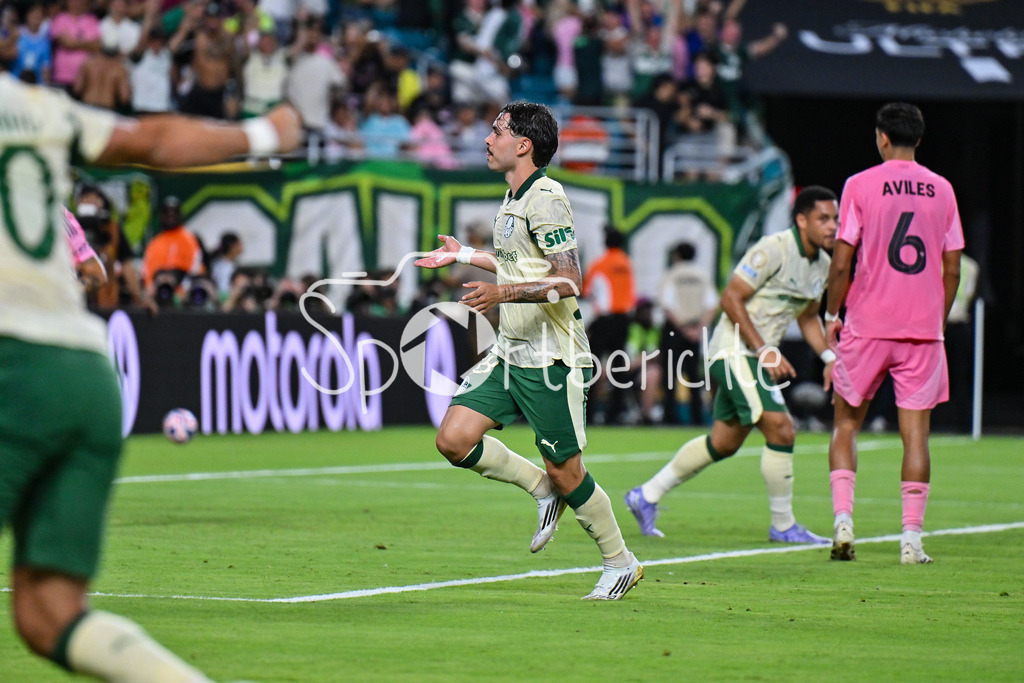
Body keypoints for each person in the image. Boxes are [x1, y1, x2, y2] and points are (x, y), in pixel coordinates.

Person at [0, 69, 300, 680]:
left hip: (13, 367)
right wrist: (263, 129)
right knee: (48, 613)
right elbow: (155, 142)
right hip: (83, 371)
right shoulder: (35, 105)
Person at [415, 101, 643, 600]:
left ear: (523, 145)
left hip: (550, 355)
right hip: (511, 349)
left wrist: (501, 293)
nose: (487, 139)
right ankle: (542, 491)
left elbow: (568, 279)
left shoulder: (546, 197)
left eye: (496, 131)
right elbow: (518, 261)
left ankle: (620, 561)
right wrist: (464, 255)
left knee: (569, 471)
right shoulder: (513, 197)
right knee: (454, 439)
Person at [625, 186, 838, 544]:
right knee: (782, 428)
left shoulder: (824, 266)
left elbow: (808, 316)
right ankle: (783, 526)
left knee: (723, 442)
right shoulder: (773, 248)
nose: (832, 226)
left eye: (835, 219)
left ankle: (645, 496)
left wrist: (831, 357)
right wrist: (765, 350)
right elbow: (731, 298)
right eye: (824, 218)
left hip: (755, 353)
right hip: (734, 349)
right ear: (801, 221)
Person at [824, 102, 963, 564]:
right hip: (921, 331)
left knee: (846, 423)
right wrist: (934, 321)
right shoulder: (942, 190)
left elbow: (843, 260)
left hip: (867, 324)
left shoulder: (860, 185)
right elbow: (952, 268)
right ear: (918, 139)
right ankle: (911, 541)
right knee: (916, 437)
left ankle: (844, 524)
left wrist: (831, 314)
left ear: (882, 138)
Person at [657, 241, 717, 425]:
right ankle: (697, 417)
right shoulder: (702, 276)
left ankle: (669, 416)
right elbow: (712, 305)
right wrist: (698, 329)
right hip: (696, 328)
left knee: (670, 375)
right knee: (694, 376)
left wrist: (682, 329)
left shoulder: (671, 274)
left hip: (675, 329)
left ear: (677, 255)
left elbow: (667, 305)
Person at [582, 225, 636, 425]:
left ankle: (589, 412)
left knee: (594, 365)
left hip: (604, 321)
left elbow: (587, 290)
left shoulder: (600, 264)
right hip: (623, 320)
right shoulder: (627, 263)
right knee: (619, 366)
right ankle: (615, 413)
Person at [141, 195, 206, 291]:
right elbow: (147, 273)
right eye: (167, 213)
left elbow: (196, 269)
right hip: (158, 292)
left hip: (184, 292)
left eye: (174, 213)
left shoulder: (191, 239)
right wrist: (151, 288)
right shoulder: (154, 243)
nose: (170, 217)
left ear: (180, 214)